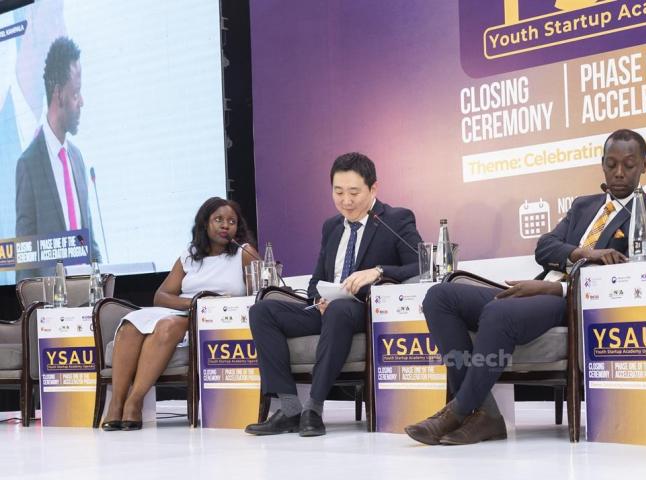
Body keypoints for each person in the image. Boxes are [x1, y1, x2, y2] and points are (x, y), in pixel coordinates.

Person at [404, 128, 646, 446]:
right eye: (611, 164)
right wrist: (586, 252)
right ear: (602, 164)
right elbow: (545, 248)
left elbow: (630, 281)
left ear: (645, 165)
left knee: (499, 312)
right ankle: (485, 415)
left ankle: (458, 411)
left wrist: (556, 290)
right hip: (540, 289)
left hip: (571, 302)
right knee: (440, 297)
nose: (619, 172)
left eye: (629, 164)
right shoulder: (585, 206)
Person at [245, 152, 422, 438]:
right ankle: (290, 409)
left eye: (354, 192)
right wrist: (319, 298)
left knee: (340, 311)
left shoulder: (396, 219)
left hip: (365, 310)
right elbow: (316, 279)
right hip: (328, 308)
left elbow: (420, 264)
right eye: (338, 192)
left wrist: (377, 271)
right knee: (262, 311)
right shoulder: (331, 227)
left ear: (373, 188)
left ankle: (313, 408)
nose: (346, 201)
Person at [100, 198, 257, 430]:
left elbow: (259, 289)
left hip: (214, 319)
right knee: (131, 325)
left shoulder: (243, 253)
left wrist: (208, 306)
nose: (226, 225)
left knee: (167, 326)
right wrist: (191, 302)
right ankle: (116, 405)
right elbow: (161, 296)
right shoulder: (189, 256)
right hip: (184, 309)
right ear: (205, 224)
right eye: (219, 220)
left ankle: (134, 402)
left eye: (232, 222)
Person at [15, 36, 101, 281]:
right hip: (53, 305)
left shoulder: (77, 158)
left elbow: (90, 240)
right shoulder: (28, 165)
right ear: (59, 94)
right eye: (76, 93)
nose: (81, 101)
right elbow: (25, 255)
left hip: (89, 300)